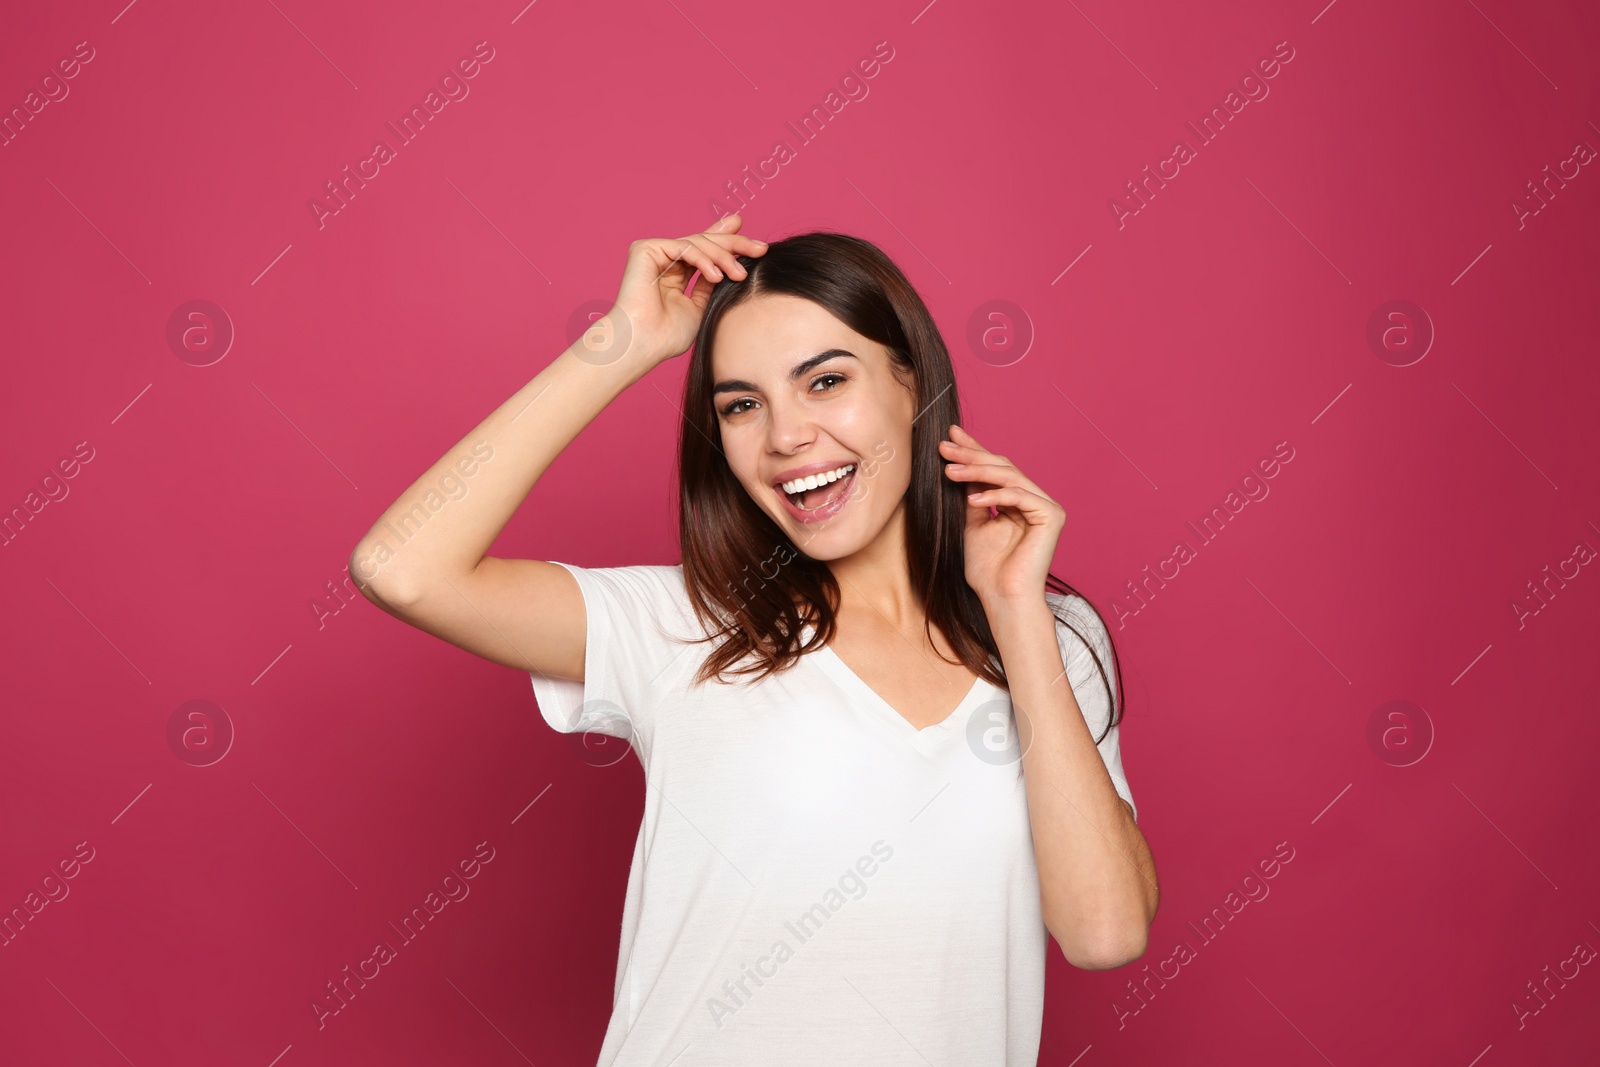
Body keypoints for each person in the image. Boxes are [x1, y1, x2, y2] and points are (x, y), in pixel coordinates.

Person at [350, 213, 1159, 1065]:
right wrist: (622, 342)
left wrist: (1012, 607)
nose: (784, 437)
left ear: (912, 383)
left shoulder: (1049, 637)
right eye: (741, 404)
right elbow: (401, 567)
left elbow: (1104, 931)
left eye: (824, 381)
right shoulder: (686, 624)